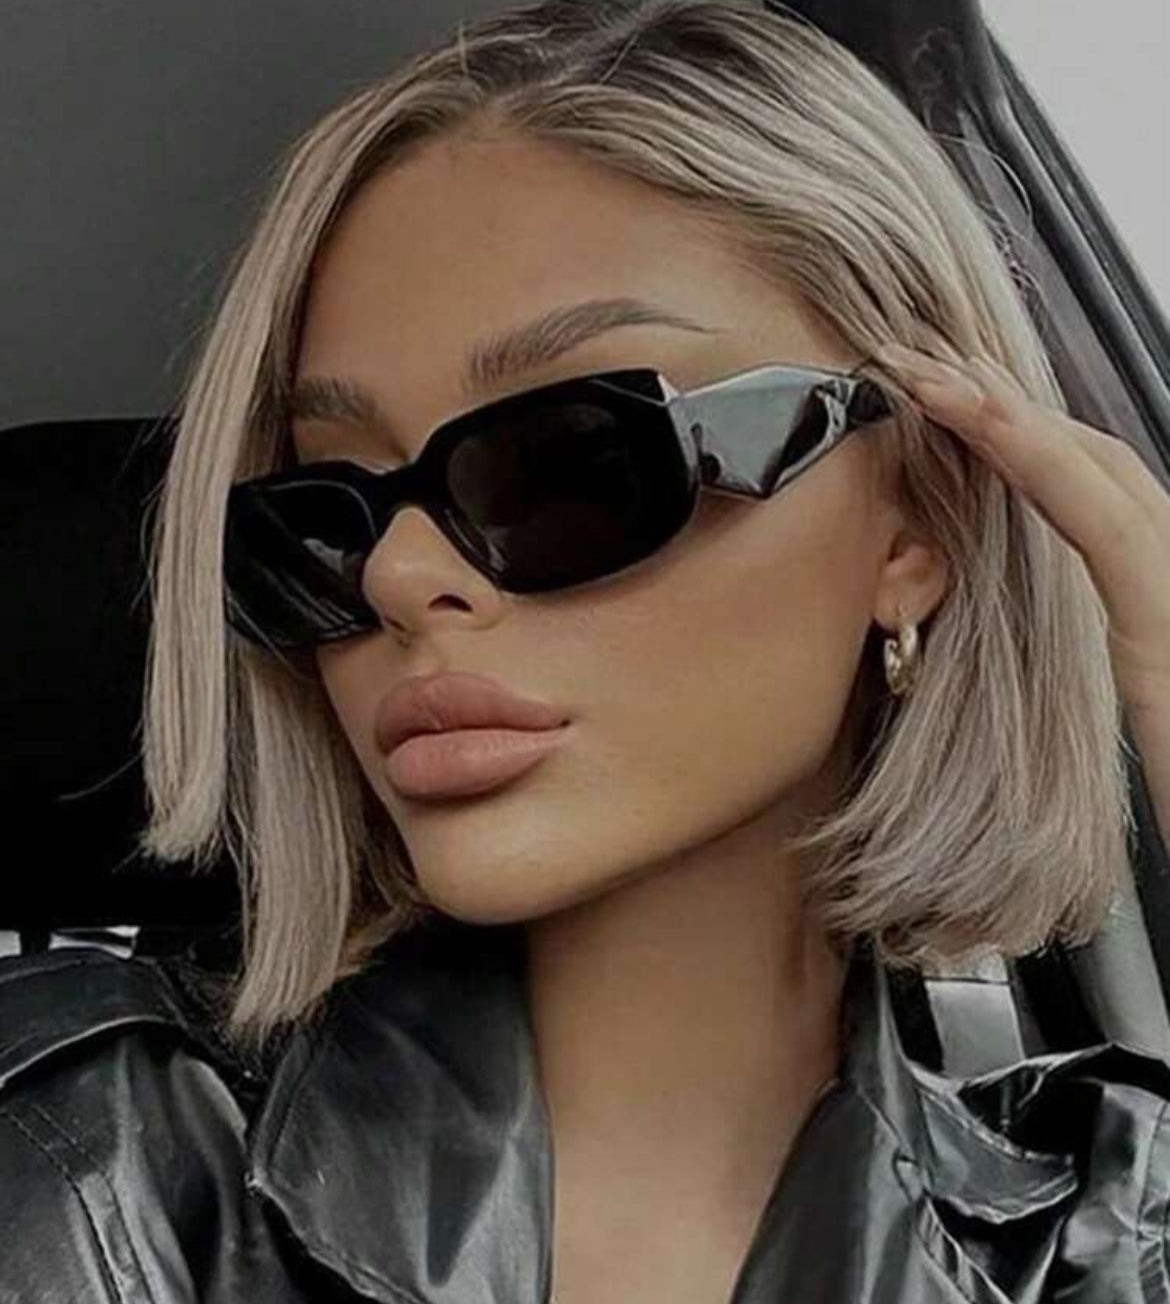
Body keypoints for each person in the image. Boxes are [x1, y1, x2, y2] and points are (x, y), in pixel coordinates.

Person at [2, 1, 1169, 1301]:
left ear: (915, 522)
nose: (397, 575)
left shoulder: (1108, 1225)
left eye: (565, 462)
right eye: (323, 515)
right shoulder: (77, 1159)